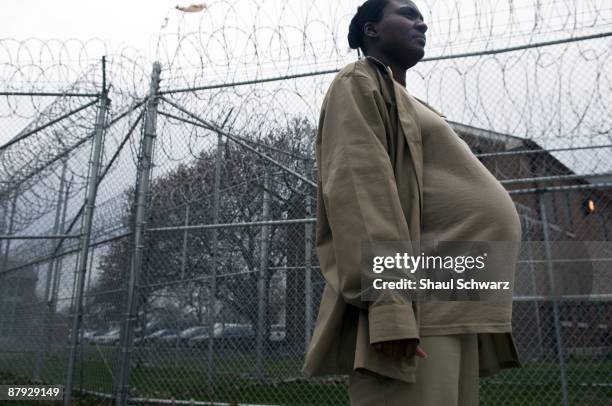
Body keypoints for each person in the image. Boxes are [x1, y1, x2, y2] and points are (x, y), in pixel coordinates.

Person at [302, 0, 523, 405]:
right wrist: (391, 307)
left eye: (422, 16)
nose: (421, 22)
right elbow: (362, 194)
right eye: (406, 13)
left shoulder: (412, 103)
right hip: (420, 301)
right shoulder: (358, 81)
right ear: (371, 29)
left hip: (455, 292)